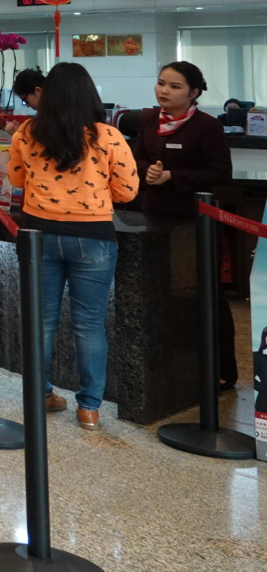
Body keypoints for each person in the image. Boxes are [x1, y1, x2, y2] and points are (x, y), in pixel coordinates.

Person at [6, 62, 139, 430]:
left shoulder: (26, 133)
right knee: (89, 325)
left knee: (41, 322)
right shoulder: (108, 136)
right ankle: (89, 408)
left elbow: (15, 179)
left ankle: (40, 395)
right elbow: (128, 191)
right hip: (93, 237)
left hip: (38, 235)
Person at [130, 61, 236, 388]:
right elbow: (136, 158)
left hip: (196, 219)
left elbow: (221, 172)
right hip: (155, 215)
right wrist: (147, 171)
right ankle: (168, 363)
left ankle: (222, 369)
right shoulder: (149, 120)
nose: (164, 91)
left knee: (206, 294)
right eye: (161, 83)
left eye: (175, 86)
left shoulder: (207, 126)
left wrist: (173, 176)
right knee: (159, 292)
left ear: (194, 92)